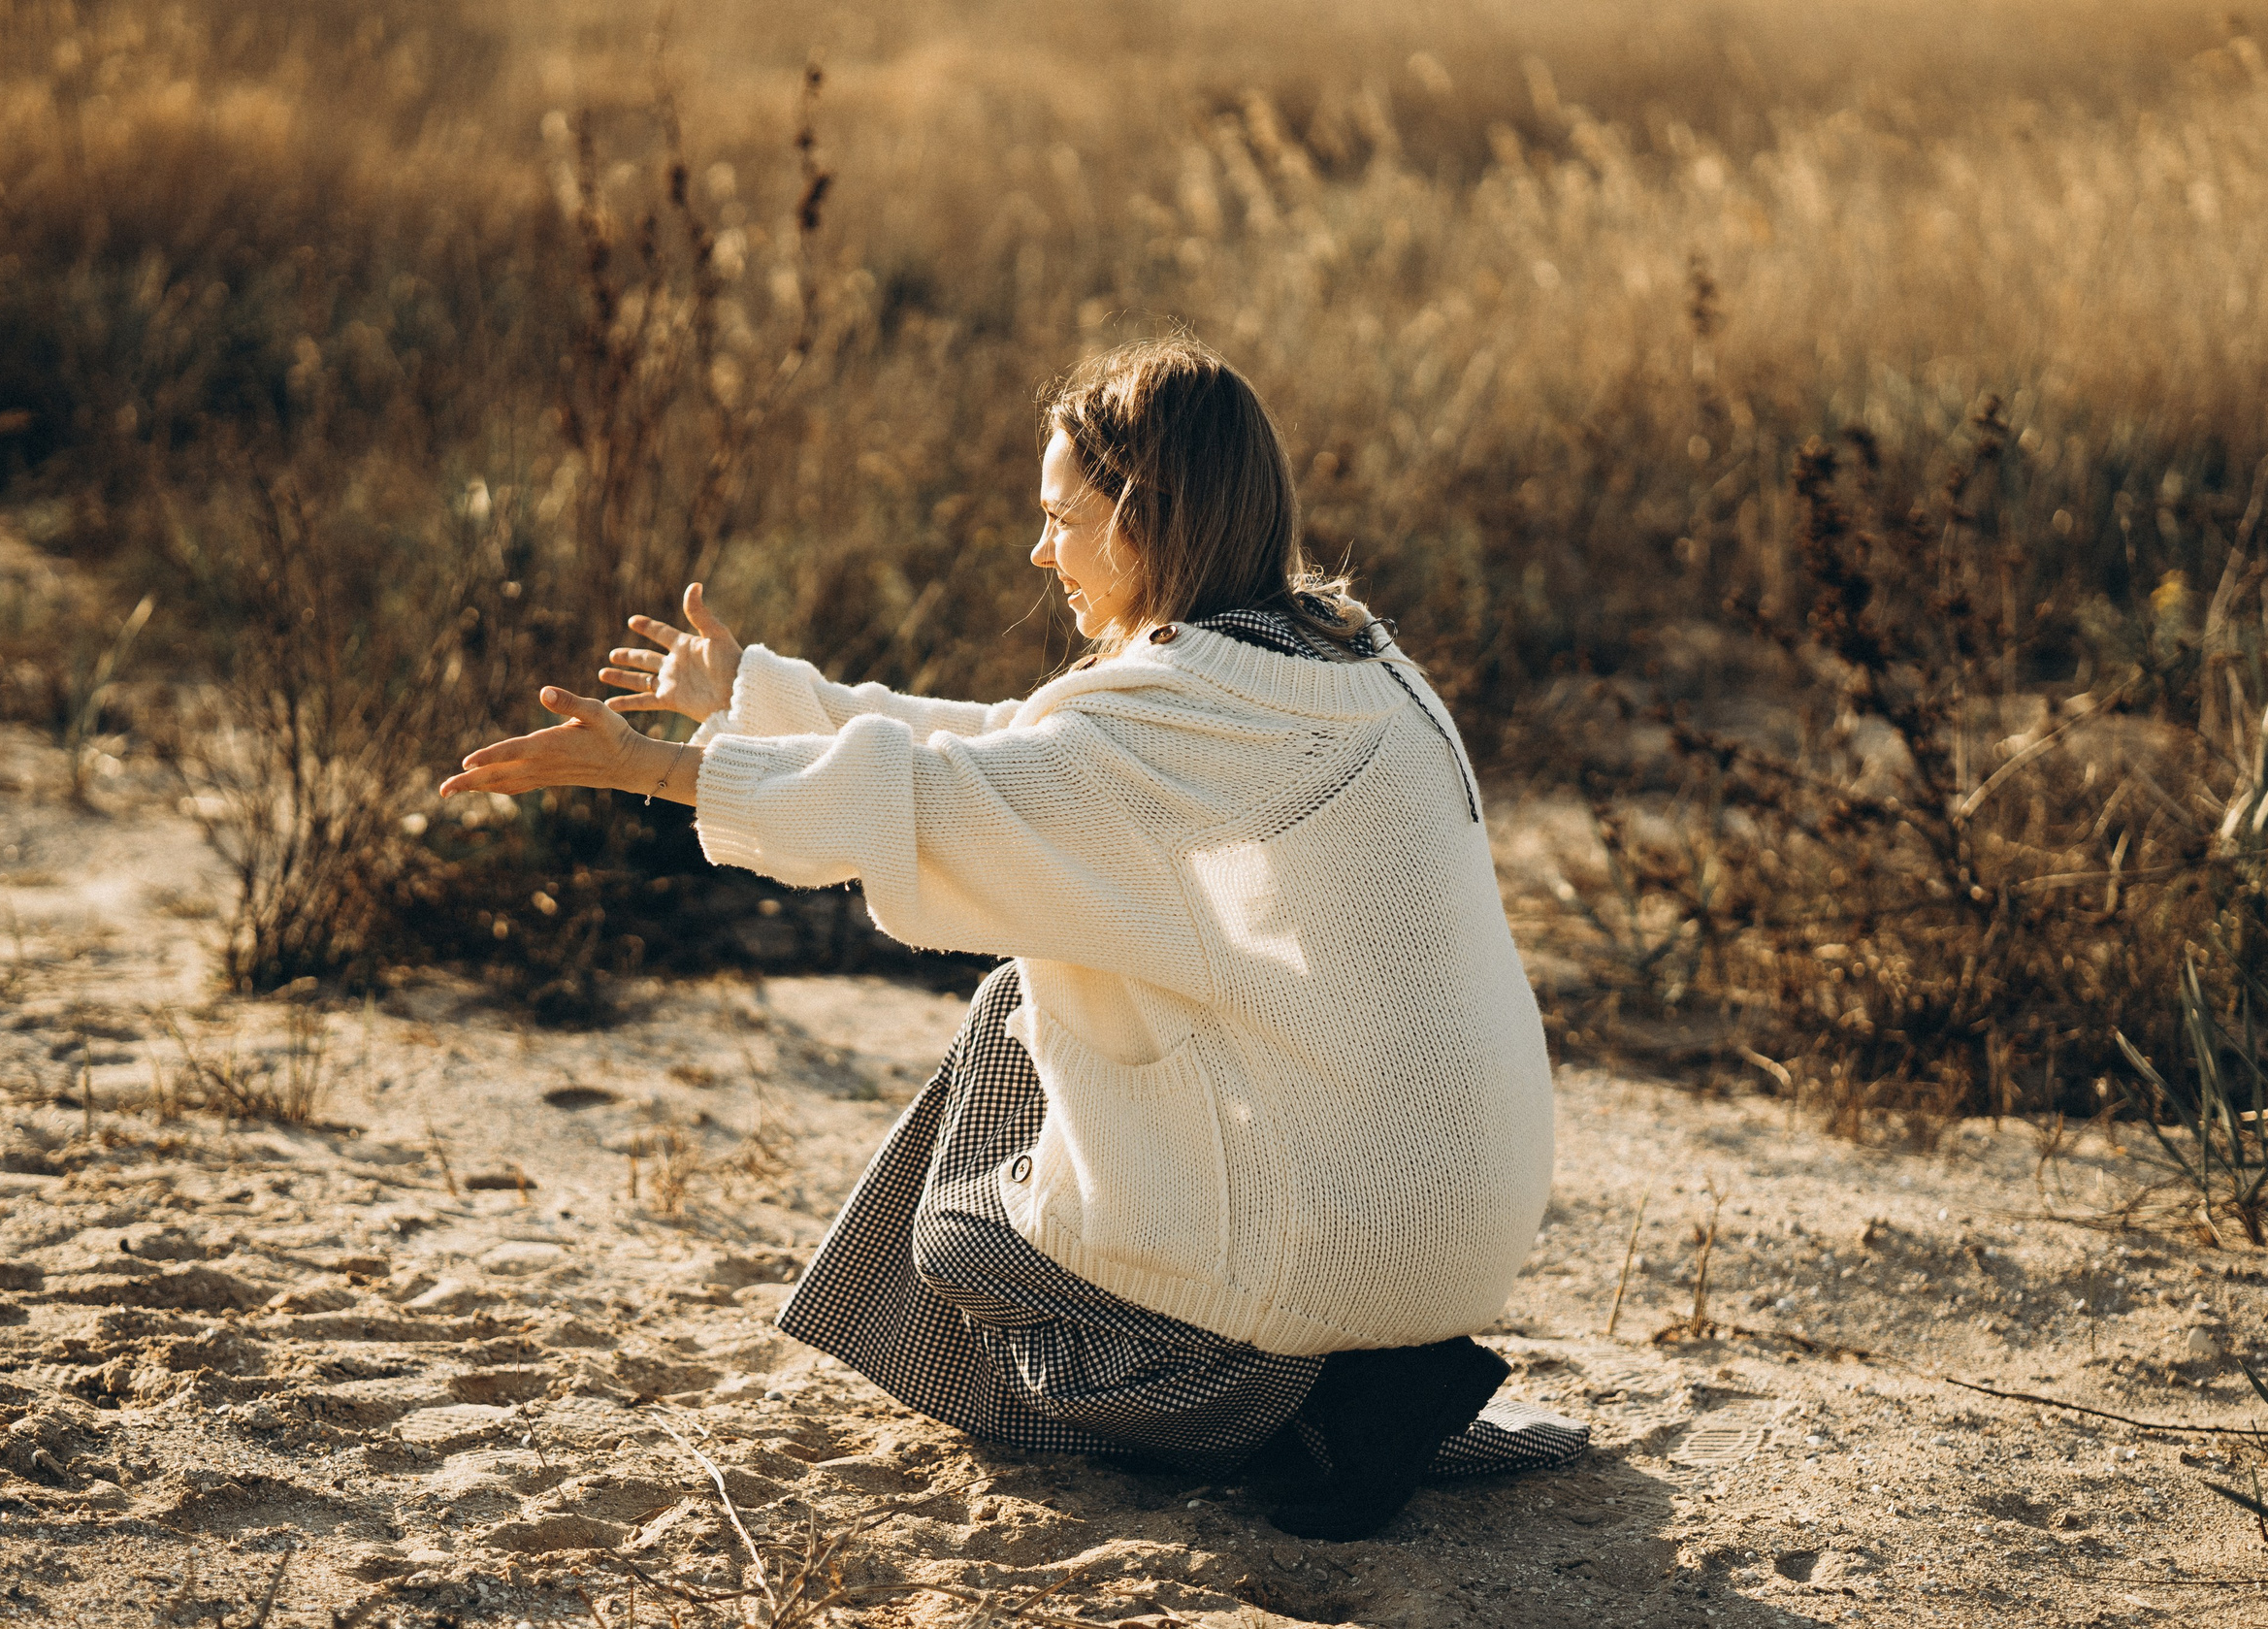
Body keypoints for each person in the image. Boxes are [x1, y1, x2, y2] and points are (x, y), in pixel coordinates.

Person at [439, 338, 1579, 1540]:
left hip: (1311, 1285)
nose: (1041, 553)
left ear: (1141, 520)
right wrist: (756, 698)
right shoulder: (1347, 663)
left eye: (1059, 518)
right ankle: (1338, 1378)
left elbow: (953, 796)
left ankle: (1290, 1402)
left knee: (968, 1215)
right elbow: (1012, 749)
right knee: (1076, 992)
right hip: (1441, 1252)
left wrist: (661, 771)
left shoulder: (1179, 716)